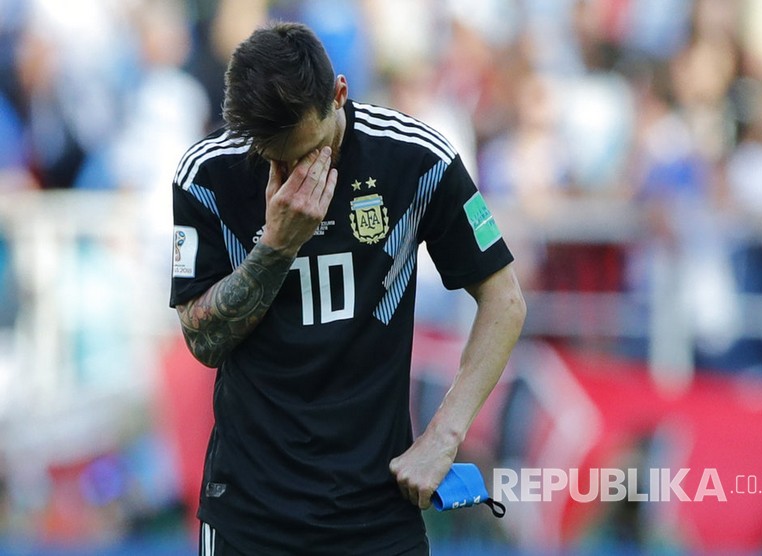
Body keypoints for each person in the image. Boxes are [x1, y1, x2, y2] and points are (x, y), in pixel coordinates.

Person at [169, 21, 525, 555]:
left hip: (376, 512)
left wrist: (443, 438)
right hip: (250, 512)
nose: (291, 173)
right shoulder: (208, 174)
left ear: (339, 94)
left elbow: (505, 298)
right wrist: (275, 248)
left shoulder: (415, 159)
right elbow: (203, 342)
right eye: (272, 157)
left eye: (306, 150)